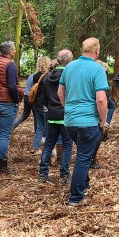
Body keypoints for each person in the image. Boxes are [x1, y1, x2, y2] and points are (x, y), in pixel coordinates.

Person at [58, 37, 108, 206]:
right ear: (96, 50)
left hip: (70, 121)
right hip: (88, 121)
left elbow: (60, 92)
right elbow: (101, 100)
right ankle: (76, 197)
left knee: (82, 153)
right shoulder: (97, 69)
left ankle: (84, 184)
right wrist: (102, 121)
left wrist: (68, 108)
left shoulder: (69, 67)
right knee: (83, 158)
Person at [0, 41, 23, 172]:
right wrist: (17, 99)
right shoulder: (10, 65)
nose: (15, 52)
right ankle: (1, 165)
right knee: (5, 135)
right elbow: (12, 86)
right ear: (10, 51)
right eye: (14, 50)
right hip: (6, 103)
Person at [38, 50, 74, 184]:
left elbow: (44, 98)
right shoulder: (70, 76)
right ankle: (64, 175)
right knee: (67, 145)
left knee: (48, 144)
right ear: (69, 61)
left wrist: (52, 107)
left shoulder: (47, 77)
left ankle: (43, 173)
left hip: (51, 114)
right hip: (66, 115)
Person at [30, 56, 51, 153]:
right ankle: (47, 148)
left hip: (36, 104)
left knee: (39, 127)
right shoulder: (48, 76)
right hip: (45, 104)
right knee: (48, 127)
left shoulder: (35, 76)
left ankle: (35, 147)